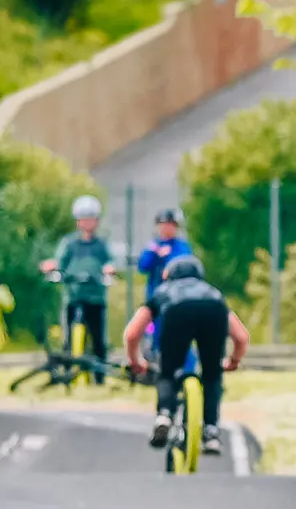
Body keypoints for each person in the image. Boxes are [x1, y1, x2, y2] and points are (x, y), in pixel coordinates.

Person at [123, 256, 250, 456]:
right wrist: (233, 361)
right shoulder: (213, 293)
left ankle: (164, 415)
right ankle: (211, 432)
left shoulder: (163, 291)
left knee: (168, 371)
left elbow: (132, 333)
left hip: (176, 312)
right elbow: (241, 336)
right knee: (211, 374)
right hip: (213, 313)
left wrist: (135, 361)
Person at [40, 195, 116, 384]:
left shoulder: (101, 245)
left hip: (95, 296)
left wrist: (109, 269)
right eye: (83, 219)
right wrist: (53, 267)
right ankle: (67, 374)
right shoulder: (69, 244)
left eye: (91, 219)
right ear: (78, 221)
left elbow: (110, 262)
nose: (87, 223)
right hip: (74, 294)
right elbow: (60, 262)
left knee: (98, 339)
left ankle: (99, 378)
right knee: (68, 338)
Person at [137, 208, 192, 301]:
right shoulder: (153, 245)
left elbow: (184, 265)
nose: (165, 228)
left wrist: (168, 257)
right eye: (163, 225)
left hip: (176, 294)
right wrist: (155, 253)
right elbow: (142, 267)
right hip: (155, 292)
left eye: (171, 225)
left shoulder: (181, 246)